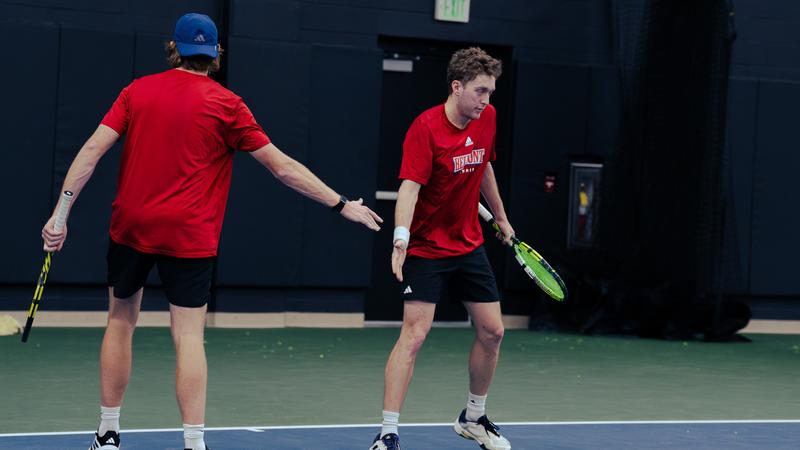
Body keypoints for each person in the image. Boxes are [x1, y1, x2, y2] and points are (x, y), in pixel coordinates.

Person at [40, 13, 382, 450]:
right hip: (190, 237)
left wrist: (60, 214)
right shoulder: (228, 105)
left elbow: (90, 151)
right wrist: (340, 204)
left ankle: (108, 433)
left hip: (132, 228)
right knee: (188, 335)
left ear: (174, 49)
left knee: (120, 322)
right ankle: (195, 442)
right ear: (216, 54)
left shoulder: (137, 91)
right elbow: (283, 168)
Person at [369, 47, 513, 450]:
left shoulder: (488, 119)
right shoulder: (425, 128)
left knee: (493, 331)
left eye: (491, 92)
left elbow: (484, 165)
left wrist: (501, 216)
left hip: (469, 243)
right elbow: (409, 188)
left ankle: (473, 417)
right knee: (414, 336)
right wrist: (401, 238)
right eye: (480, 91)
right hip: (428, 248)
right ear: (457, 86)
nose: (486, 100)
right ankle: (388, 433)